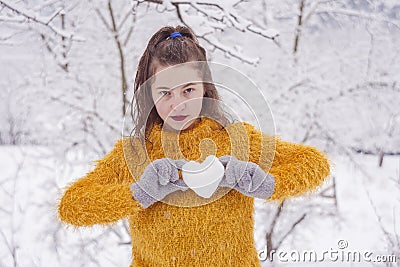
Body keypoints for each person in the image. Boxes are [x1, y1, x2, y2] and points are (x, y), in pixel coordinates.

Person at [58, 25, 331, 266]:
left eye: (188, 90)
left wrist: (266, 183)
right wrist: (139, 193)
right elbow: (71, 206)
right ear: (149, 92)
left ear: (205, 87)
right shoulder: (136, 152)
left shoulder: (236, 139)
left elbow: (314, 163)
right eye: (165, 92)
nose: (178, 104)